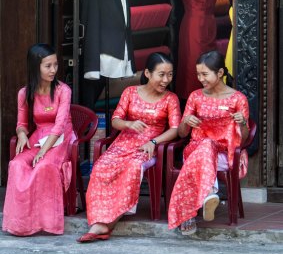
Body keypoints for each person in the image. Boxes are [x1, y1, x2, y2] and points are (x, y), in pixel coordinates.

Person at [77, 52, 181, 243]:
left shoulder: (170, 99)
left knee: (132, 168)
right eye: (161, 74)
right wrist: (128, 125)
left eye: (170, 74)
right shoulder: (130, 92)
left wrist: (154, 142)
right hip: (123, 142)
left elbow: (175, 129)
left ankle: (106, 224)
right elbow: (116, 120)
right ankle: (99, 217)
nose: (166, 80)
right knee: (101, 166)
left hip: (148, 148)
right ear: (148, 73)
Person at [168, 50, 249, 235]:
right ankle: (209, 194)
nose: (200, 78)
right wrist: (186, 121)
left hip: (225, 154)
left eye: (204, 74)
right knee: (205, 146)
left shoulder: (238, 99)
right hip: (195, 150)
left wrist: (242, 123)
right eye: (198, 74)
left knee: (208, 146)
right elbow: (181, 134)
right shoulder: (195, 96)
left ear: (220, 73)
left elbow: (242, 140)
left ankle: (195, 208)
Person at [2, 43, 76, 236]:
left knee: (44, 166)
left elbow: (60, 126)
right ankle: (21, 224)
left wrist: (44, 152)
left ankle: (46, 223)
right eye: (48, 66)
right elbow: (21, 123)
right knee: (17, 165)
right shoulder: (25, 93)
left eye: (55, 65)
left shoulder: (63, 90)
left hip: (61, 137)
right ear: (36, 67)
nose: (53, 70)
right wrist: (21, 134)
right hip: (39, 136)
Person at [175, 0, 218, 101]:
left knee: (210, 61)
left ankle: (209, 98)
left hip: (209, 23)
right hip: (194, 27)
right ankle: (191, 99)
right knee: (193, 62)